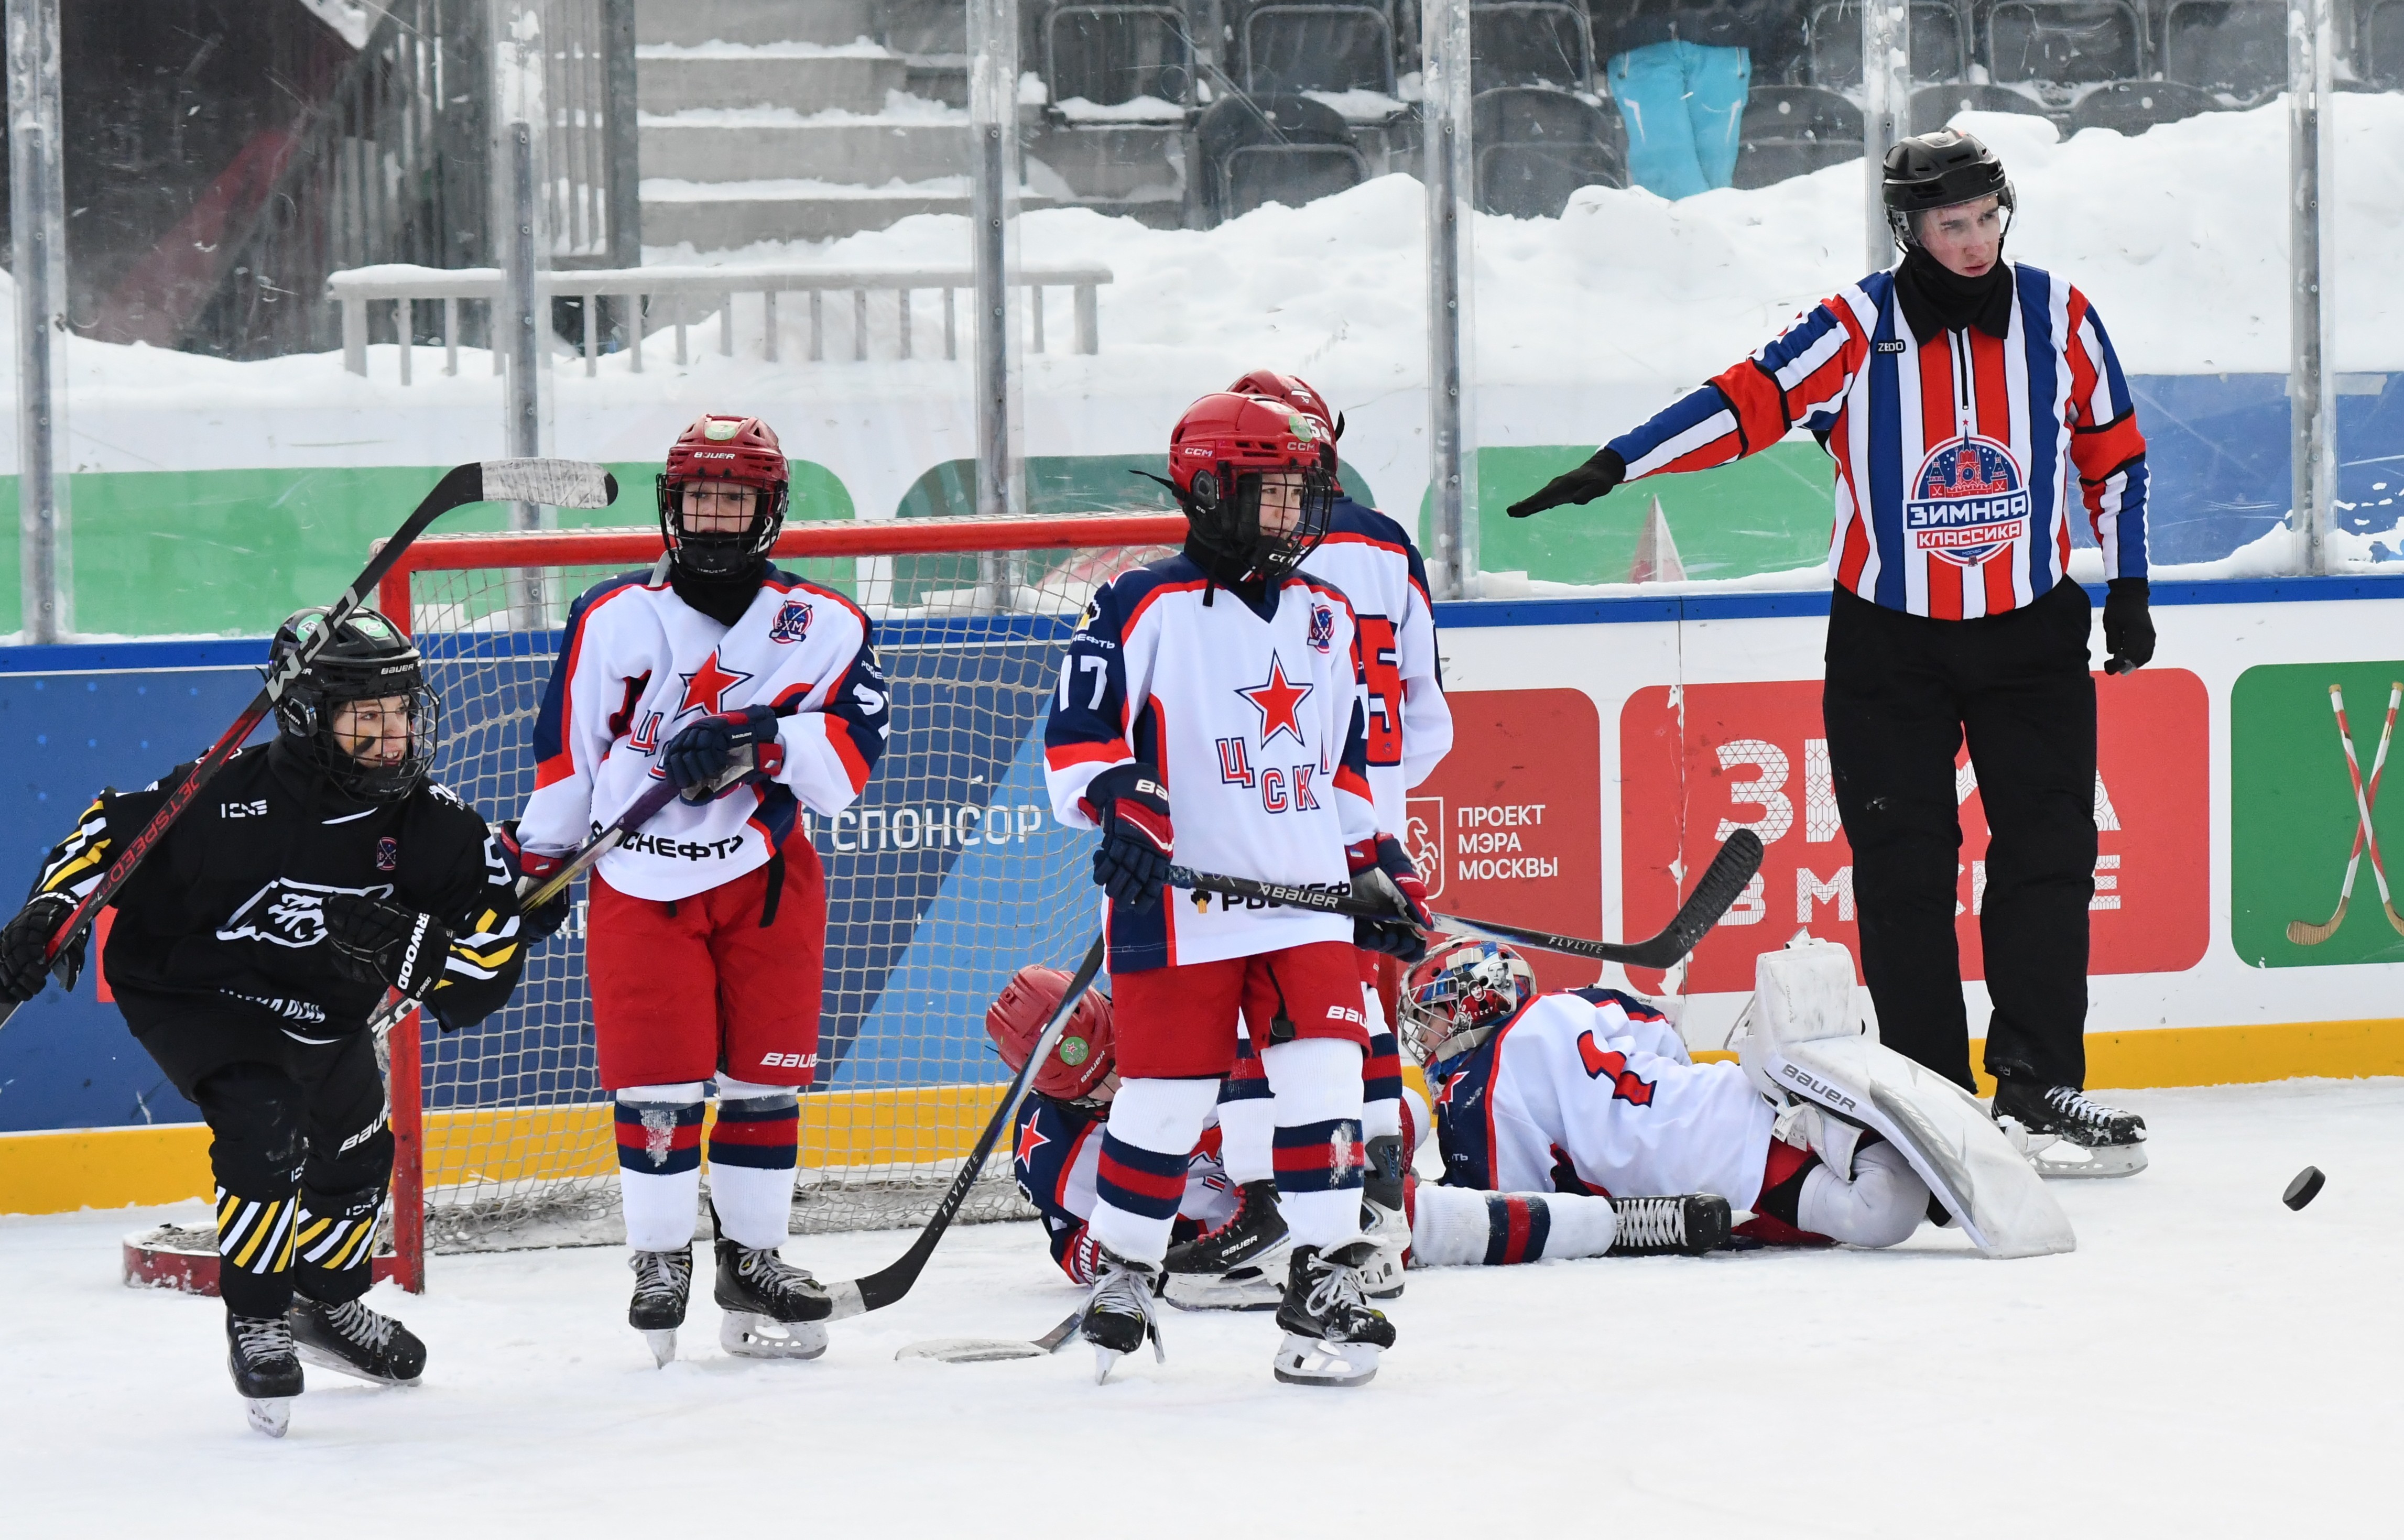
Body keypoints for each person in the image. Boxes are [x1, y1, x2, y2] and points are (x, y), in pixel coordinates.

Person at [1506, 129, 2153, 1177]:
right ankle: (1933, 1103)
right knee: (1903, 870)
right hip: (1887, 642)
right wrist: (1617, 462)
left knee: (2047, 855)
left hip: (2030, 630)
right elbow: (1741, 404)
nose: (1976, 240)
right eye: (1952, 223)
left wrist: (2126, 583)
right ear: (1909, 226)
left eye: (1989, 218)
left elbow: (2113, 455)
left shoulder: (2060, 316)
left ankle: (2035, 1087)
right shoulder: (1855, 326)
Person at [0, 606, 552, 1435]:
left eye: (400, 711)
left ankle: (328, 1303)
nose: (391, 734)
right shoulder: (226, 792)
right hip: (194, 987)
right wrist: (49, 908)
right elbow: (107, 830)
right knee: (264, 1119)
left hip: (317, 1001)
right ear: (305, 715)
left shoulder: (432, 825)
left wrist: (422, 946)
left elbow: (474, 982)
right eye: (365, 715)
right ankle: (256, 1314)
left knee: (361, 1147)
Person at [1043, 389, 1433, 1388]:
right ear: (1209, 489)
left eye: (1306, 495)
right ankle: (1125, 1266)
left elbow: (1341, 771)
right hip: (1186, 904)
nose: (1296, 517)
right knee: (1167, 1100)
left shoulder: (1328, 615)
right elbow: (1082, 738)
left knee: (1327, 1085)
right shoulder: (1140, 604)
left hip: (1309, 902)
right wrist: (1123, 808)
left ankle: (1321, 1272)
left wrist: (1376, 866)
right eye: (1273, 496)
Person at [512, 412, 890, 1366]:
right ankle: (660, 1256)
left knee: (765, 1082)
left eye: (735, 498)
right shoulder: (614, 615)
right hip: (641, 885)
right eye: (699, 497)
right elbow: (569, 751)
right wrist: (541, 861)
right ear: (670, 506)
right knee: (657, 1084)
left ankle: (753, 1259)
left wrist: (755, 740)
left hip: (764, 879)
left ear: (769, 510)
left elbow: (847, 759)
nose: (715, 517)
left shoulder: (827, 622)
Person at [1170, 368, 1456, 1304]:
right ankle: (1375, 1220)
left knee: (1271, 1014)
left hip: (1276, 811)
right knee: (1354, 1021)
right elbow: (1428, 716)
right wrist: (1376, 807)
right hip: (1363, 811)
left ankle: (1273, 1218)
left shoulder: (1243, 549)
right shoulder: (1388, 544)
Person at [987, 966, 1724, 1289]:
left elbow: (1305, 1066)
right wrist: (1137, 1248)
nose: (1126, 1081)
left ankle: (1356, 1180)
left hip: (1314, 1159)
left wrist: (1344, 1156)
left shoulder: (1172, 1007)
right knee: (1436, 1223)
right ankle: (1626, 1224)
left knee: (1397, 1141)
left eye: (1122, 1058)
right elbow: (1075, 1249)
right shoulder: (1051, 1151)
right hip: (1254, 1231)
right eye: (1103, 1084)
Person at [1404, 938, 1930, 1249]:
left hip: (1716, 1171)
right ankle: (1853, 1116)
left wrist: (1411, 1189)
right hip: (1729, 1094)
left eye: (1431, 1015)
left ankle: (1867, 1135)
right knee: (1896, 1183)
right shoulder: (1575, 1001)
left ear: (1472, 1004)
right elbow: (1662, 1036)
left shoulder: (1470, 1090)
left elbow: (1503, 1209)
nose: (1423, 1037)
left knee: (1884, 1208)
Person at [1601, 0, 1795, 199]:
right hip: (1646, 41)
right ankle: (1701, 225)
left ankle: (1701, 225)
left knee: (1711, 176)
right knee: (1675, 180)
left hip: (1715, 38)